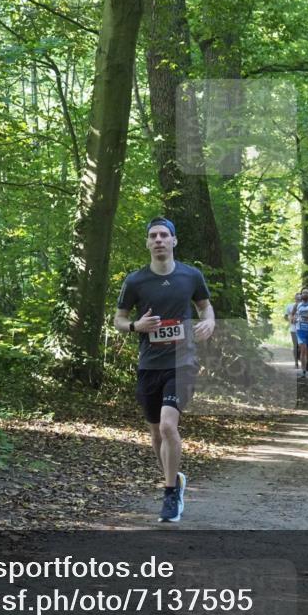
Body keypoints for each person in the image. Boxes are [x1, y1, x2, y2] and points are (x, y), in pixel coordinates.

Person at [114, 217, 215, 522]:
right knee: (156, 433)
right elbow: (118, 320)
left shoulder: (190, 275)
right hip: (149, 365)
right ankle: (176, 479)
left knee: (169, 426)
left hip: (182, 362)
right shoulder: (135, 281)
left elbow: (204, 307)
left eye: (163, 235)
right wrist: (135, 326)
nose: (158, 240)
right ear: (147, 243)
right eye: (153, 236)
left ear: (173, 241)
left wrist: (209, 321)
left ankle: (170, 494)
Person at [284, 292, 302, 368]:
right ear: (295, 299)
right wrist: (290, 318)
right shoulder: (289, 306)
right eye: (297, 298)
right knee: (296, 345)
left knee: (302, 346)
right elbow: (285, 316)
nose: (298, 300)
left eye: (300, 298)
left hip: (303, 328)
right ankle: (296, 363)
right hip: (294, 329)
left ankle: (300, 358)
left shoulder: (305, 306)